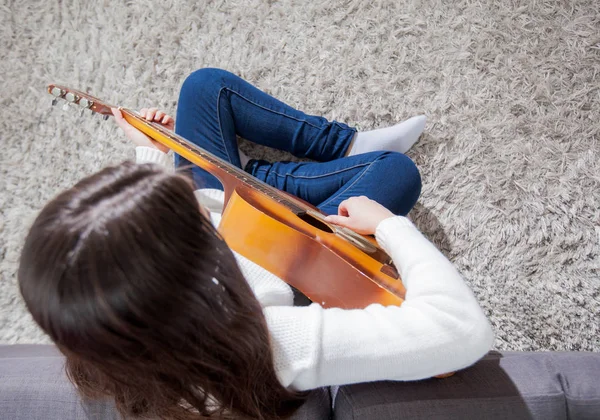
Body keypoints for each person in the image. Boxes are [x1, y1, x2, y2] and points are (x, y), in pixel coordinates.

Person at [18, 68, 494, 420]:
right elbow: (459, 331)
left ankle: (316, 153)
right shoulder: (271, 344)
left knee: (202, 87)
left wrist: (150, 154)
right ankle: (274, 170)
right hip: (284, 258)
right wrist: (392, 227)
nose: (179, 189)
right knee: (393, 171)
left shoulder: (114, 333)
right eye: (185, 210)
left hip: (233, 229)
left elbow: (121, 255)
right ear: (196, 269)